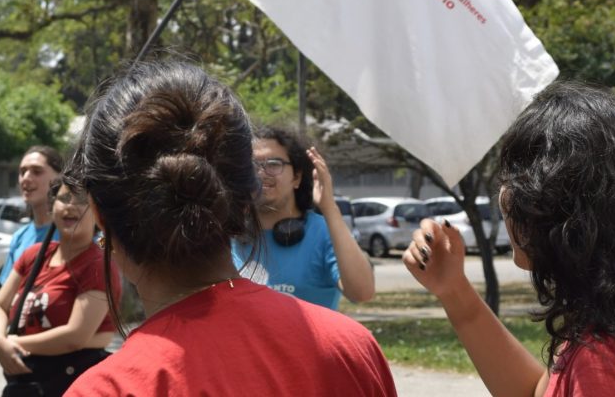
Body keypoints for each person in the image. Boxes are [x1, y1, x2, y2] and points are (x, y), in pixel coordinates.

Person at [64, 60, 396, 396]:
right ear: (244, 198)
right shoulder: (351, 350)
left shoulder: (106, 390)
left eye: (277, 164)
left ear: (99, 214)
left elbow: (360, 287)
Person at [403, 80, 615, 396]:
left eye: (516, 174)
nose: (504, 191)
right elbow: (533, 392)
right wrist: (453, 290)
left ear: (559, 208)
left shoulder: (603, 362)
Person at [0, 170, 119, 397]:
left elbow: (75, 336)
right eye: (64, 198)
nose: (71, 206)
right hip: (28, 384)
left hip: (70, 385)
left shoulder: (97, 264)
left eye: (82, 201)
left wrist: (16, 343)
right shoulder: (34, 255)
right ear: (51, 207)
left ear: (97, 213)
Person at [233, 125, 374, 309]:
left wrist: (329, 207)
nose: (261, 173)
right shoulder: (228, 235)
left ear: (297, 177)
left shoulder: (322, 232)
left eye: (274, 164)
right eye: (252, 165)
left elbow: (362, 292)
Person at [0, 145, 63, 327]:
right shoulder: (20, 237)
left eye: (37, 171)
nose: (26, 178)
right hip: (23, 348)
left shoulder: (76, 233)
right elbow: (9, 302)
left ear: (60, 177)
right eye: (22, 172)